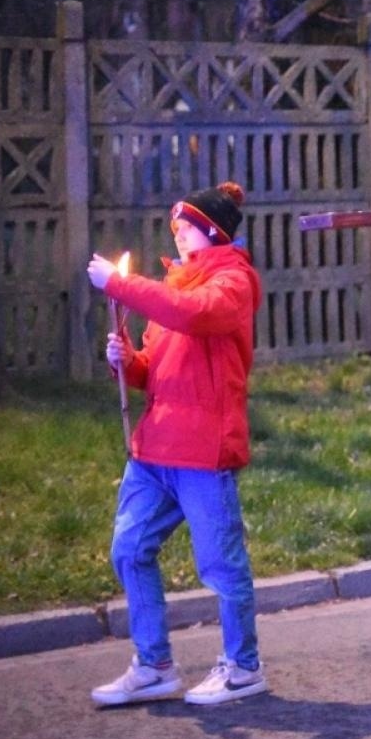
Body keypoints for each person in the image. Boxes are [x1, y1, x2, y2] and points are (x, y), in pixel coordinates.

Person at [86, 182, 268, 707]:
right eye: (176, 227)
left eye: (186, 225)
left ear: (212, 232)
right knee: (129, 549)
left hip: (203, 449)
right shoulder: (175, 285)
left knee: (220, 564)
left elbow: (197, 315)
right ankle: (154, 664)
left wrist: (123, 286)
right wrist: (130, 363)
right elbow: (158, 370)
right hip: (154, 451)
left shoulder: (233, 282)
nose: (177, 232)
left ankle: (243, 667)